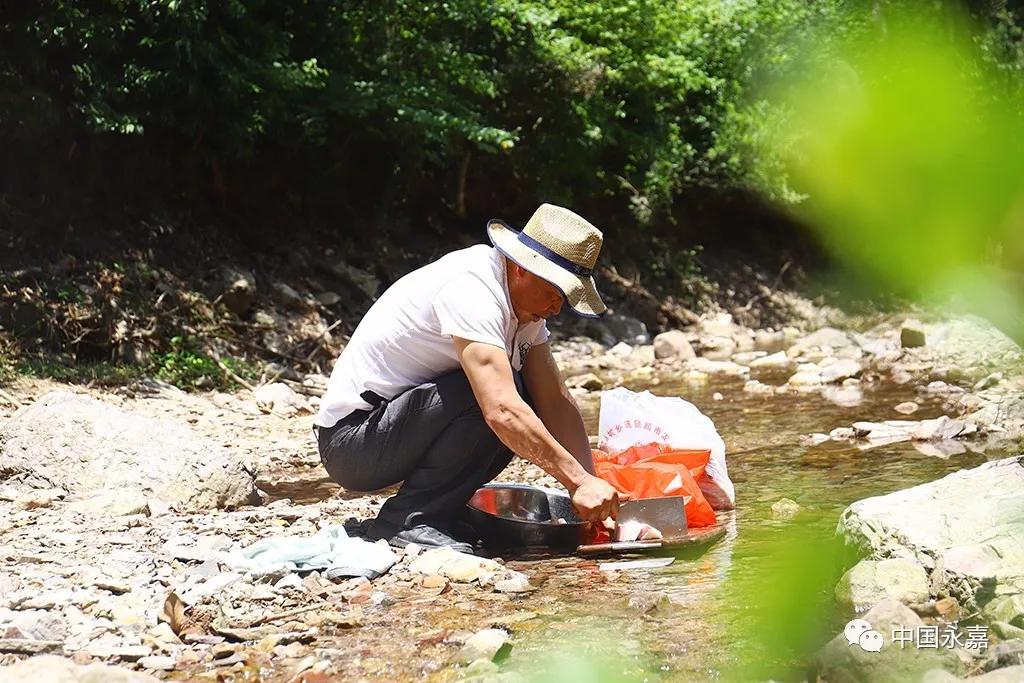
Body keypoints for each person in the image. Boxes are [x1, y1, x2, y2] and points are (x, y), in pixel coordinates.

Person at [313, 203, 620, 552]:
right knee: (494, 399)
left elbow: (555, 401)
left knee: (527, 397)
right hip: (352, 443)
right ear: (522, 268)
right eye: (554, 293)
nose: (556, 308)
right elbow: (501, 410)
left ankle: (440, 510)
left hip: (398, 430)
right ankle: (407, 520)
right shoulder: (473, 289)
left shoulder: (526, 310)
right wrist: (576, 480)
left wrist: (591, 488)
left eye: (564, 298)